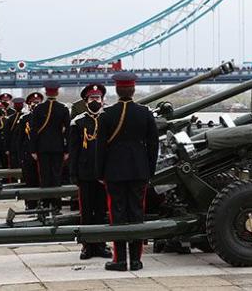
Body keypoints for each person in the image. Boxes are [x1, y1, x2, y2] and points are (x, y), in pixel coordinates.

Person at [96, 72, 158, 272]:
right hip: (139, 170)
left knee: (117, 214)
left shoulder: (107, 114)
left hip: (114, 171)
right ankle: (137, 260)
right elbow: (153, 145)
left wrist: (100, 172)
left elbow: (100, 147)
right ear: (133, 90)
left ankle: (120, 259)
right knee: (137, 213)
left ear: (117, 89)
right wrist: (150, 170)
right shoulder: (145, 113)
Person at [68, 84, 111, 259]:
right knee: (85, 212)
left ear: (103, 100)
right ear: (86, 101)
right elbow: (73, 150)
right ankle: (87, 245)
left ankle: (101, 244)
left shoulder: (108, 119)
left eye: (98, 98)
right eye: (92, 99)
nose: (95, 101)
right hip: (84, 173)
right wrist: (73, 173)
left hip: (103, 174)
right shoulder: (77, 122)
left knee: (101, 211)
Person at [29, 81, 70, 211]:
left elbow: (33, 131)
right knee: (57, 176)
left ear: (46, 93)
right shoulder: (63, 109)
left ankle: (46, 204)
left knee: (45, 177)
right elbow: (68, 131)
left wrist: (33, 149)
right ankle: (56, 205)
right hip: (58, 147)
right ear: (57, 92)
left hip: (42, 148)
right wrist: (67, 150)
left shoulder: (38, 109)